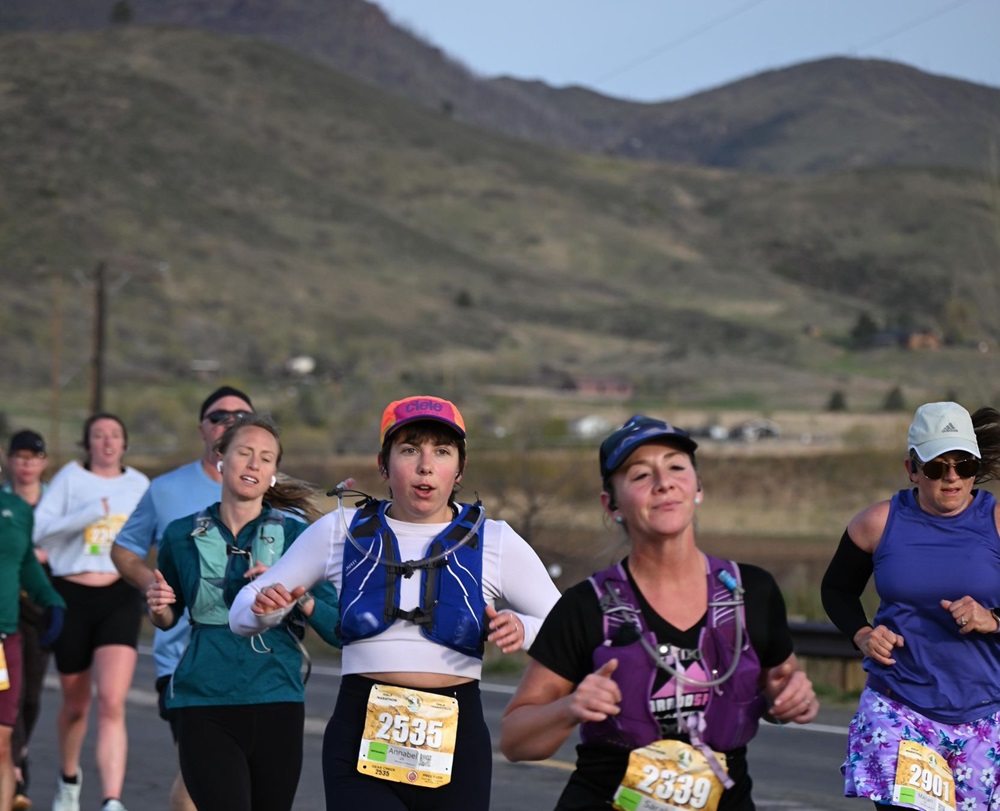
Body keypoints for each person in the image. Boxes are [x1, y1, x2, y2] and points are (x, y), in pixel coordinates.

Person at [229, 395, 561, 811]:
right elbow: (242, 612)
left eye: (441, 452)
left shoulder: (494, 539)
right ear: (384, 465)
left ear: (459, 468)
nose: (425, 465)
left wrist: (524, 628)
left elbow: (567, 626)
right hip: (359, 733)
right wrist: (268, 610)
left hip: (457, 741)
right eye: (409, 450)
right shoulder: (340, 531)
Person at [500, 414, 818, 811]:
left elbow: (782, 690)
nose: (663, 483)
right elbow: (514, 741)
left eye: (676, 467)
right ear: (611, 504)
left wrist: (792, 701)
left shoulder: (751, 592)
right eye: (639, 475)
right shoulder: (586, 606)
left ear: (698, 487)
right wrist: (571, 706)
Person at [144, 413, 340, 811]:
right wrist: (159, 609)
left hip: (277, 697)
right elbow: (170, 616)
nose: (254, 464)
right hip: (203, 699)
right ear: (220, 458)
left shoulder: (298, 536)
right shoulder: (181, 535)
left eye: (266, 458)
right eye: (244, 453)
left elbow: (337, 629)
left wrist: (295, 596)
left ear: (273, 473)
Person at [821, 401, 1000, 811]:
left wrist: (993, 619)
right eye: (937, 467)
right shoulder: (878, 523)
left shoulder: (996, 521)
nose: (952, 478)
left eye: (964, 464)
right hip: (899, 707)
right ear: (912, 469)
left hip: (985, 714)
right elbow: (836, 590)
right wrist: (864, 635)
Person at [111, 384, 254, 811]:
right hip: (184, 657)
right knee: (200, 773)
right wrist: (152, 585)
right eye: (219, 417)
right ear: (202, 430)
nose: (230, 423)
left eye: (241, 417)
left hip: (260, 659)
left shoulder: (276, 490)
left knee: (244, 774)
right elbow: (123, 549)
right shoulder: (165, 490)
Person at [33, 413, 150, 811]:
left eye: (114, 435)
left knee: (112, 701)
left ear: (124, 443)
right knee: (76, 704)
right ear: (88, 444)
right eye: (98, 436)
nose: (106, 442)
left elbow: (156, 533)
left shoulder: (139, 485)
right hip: (71, 594)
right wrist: (86, 515)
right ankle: (69, 778)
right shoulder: (70, 478)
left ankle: (111, 800)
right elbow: (39, 531)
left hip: (118, 594)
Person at [0, 446, 65, 811]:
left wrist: (51, 599)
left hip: (4, 639)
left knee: (2, 742)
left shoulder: (17, 512)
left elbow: (25, 563)